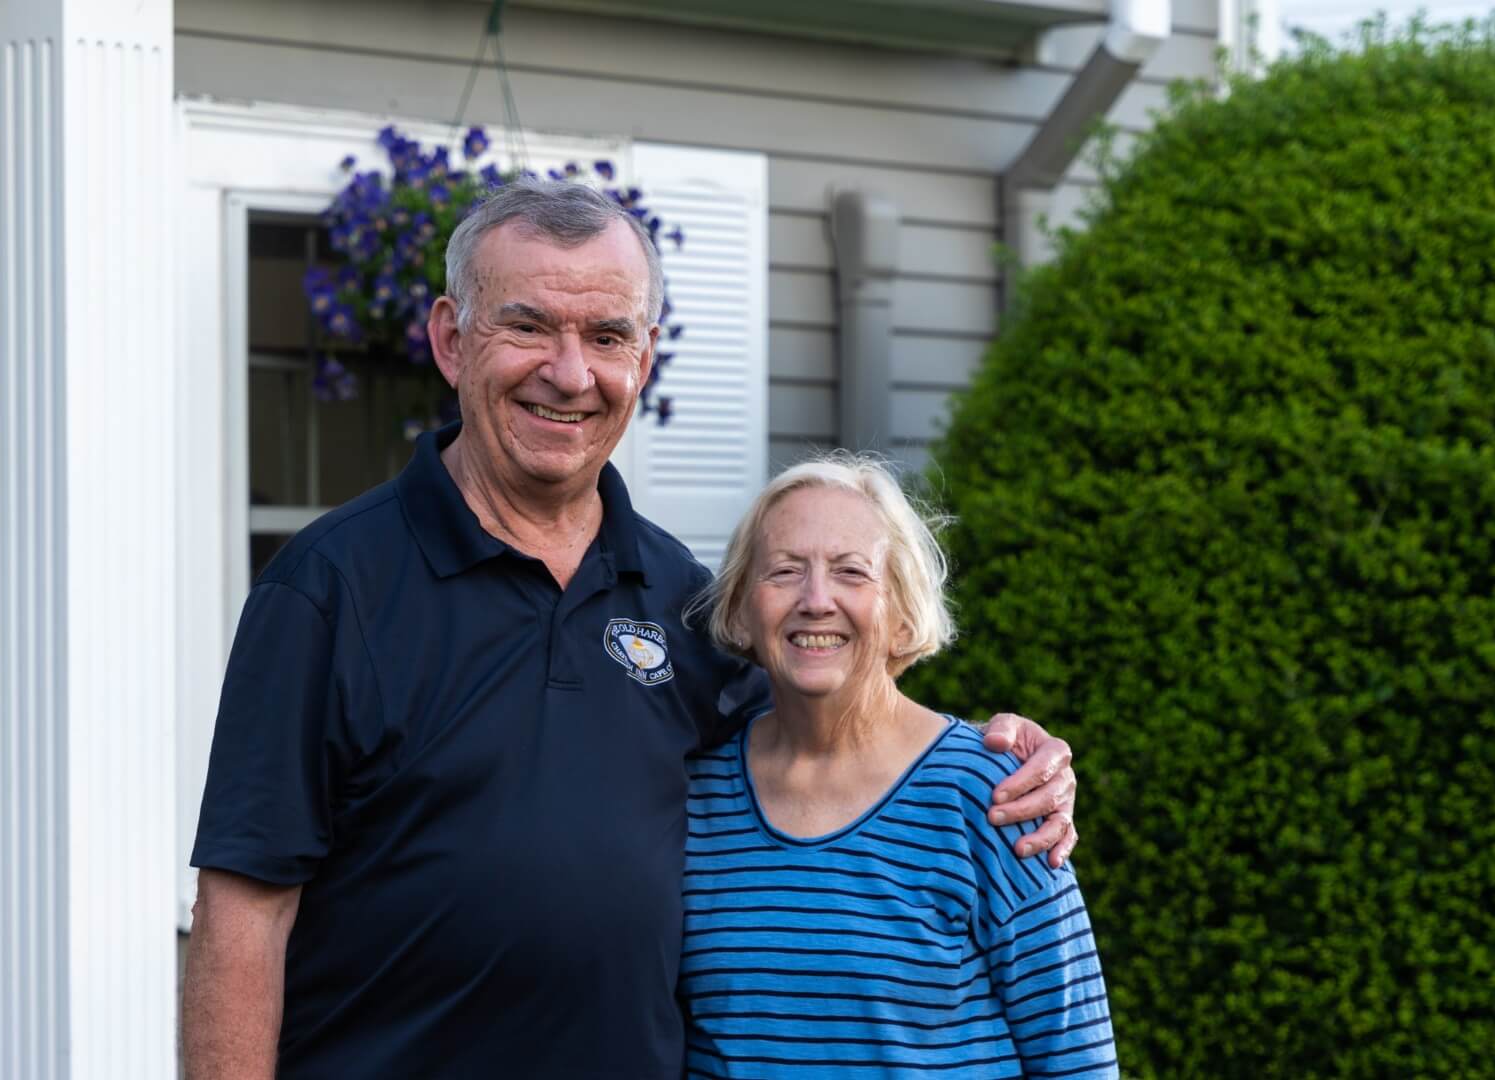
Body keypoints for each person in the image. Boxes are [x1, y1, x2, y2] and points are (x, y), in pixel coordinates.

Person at [180, 178, 1082, 1079]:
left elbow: (833, 741)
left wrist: (1006, 758)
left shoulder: (684, 604)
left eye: (607, 337)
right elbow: (244, 912)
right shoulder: (330, 590)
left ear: (644, 359)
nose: (570, 373)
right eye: (528, 326)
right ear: (452, 340)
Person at [678, 454, 1115, 1078]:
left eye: (852, 572)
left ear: (904, 613)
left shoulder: (992, 796)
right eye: (784, 571)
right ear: (743, 610)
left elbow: (1077, 1061)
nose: (816, 599)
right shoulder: (697, 796)